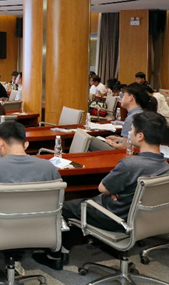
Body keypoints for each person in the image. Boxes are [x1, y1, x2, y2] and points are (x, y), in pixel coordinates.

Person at [33, 112, 169, 271]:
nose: (129, 133)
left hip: (115, 217)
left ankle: (54, 256)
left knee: (64, 206)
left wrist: (114, 190)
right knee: (81, 205)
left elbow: (103, 188)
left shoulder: (130, 164)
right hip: (143, 220)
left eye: (131, 130)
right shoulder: (165, 166)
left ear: (140, 136)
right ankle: (64, 250)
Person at [0, 121, 61, 281]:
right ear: (26, 144)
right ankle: (16, 262)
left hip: (0, 231)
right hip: (37, 229)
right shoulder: (48, 167)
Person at [106, 82, 155, 150]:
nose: (121, 98)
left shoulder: (132, 118)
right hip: (140, 151)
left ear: (130, 97)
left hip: (126, 153)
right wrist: (119, 139)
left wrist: (110, 143)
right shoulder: (142, 113)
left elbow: (124, 147)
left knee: (93, 141)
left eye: (123, 95)